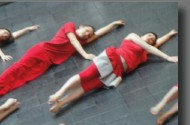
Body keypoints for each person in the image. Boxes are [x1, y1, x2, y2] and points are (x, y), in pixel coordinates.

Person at [0, 20, 125, 102]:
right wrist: (85, 54)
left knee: (25, 78)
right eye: (86, 29)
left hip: (48, 62)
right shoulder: (70, 26)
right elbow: (73, 40)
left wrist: (113, 24)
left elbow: (99, 33)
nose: (87, 33)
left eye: (89, 33)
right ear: (81, 26)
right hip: (41, 50)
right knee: (18, 68)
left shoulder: (83, 40)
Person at [48, 30, 178, 113]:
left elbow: (155, 45)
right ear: (143, 34)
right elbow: (151, 47)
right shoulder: (133, 36)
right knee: (85, 76)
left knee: (87, 87)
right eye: (149, 35)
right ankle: (58, 94)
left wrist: (169, 34)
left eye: (153, 39)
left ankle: (61, 103)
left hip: (116, 72)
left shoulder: (146, 52)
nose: (151, 38)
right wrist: (167, 57)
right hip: (111, 59)